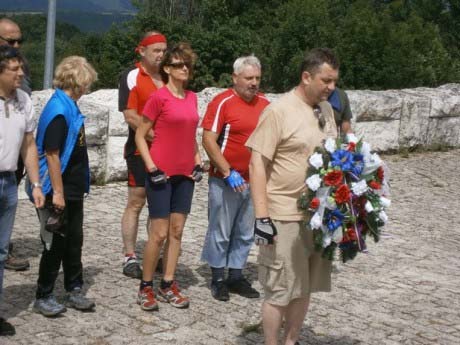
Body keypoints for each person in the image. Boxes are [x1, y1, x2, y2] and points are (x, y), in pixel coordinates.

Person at [246, 48, 339, 345]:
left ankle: (292, 340)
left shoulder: (326, 110)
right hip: (282, 214)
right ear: (306, 77)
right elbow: (257, 163)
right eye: (326, 80)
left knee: (305, 286)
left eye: (334, 81)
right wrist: (262, 217)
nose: (331, 87)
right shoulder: (278, 111)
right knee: (280, 289)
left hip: (318, 214)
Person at [135, 43, 202, 311]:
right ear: (167, 69)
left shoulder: (193, 98)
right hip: (160, 173)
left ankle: (168, 283)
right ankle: (145, 286)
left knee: (177, 231)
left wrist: (198, 161)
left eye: (187, 64)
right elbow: (141, 135)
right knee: (159, 234)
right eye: (178, 64)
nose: (184, 68)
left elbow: (191, 135)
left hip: (185, 174)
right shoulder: (158, 98)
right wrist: (151, 166)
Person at [31, 56, 97, 317]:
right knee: (55, 242)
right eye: (87, 83)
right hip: (57, 188)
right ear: (79, 82)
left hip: (72, 187)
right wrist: (57, 193)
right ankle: (44, 294)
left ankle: (74, 288)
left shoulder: (68, 105)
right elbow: (52, 154)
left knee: (74, 240)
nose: (88, 88)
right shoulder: (59, 110)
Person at [200, 55, 269, 301]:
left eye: (257, 78)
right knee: (221, 229)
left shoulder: (265, 104)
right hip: (226, 178)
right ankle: (218, 277)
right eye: (248, 78)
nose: (253, 83)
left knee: (245, 230)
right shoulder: (223, 102)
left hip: (255, 180)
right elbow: (208, 139)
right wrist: (228, 171)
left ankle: (236, 275)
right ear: (235, 78)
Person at [0, 45, 44, 336]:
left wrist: (37, 183)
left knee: (1, 251)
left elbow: (29, 144)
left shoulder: (24, 100)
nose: (21, 73)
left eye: (21, 68)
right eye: (14, 69)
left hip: (9, 182)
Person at [118, 31, 167, 279]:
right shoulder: (132, 76)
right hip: (139, 150)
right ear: (142, 51)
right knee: (136, 202)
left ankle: (155, 252)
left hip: (167, 153)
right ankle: (129, 256)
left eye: (163, 50)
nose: (160, 55)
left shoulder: (169, 75)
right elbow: (129, 114)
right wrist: (153, 135)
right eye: (156, 50)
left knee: (160, 205)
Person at [0, 17, 32, 271]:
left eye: (20, 40)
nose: (17, 45)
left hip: (11, 164)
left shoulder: (22, 68)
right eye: (11, 41)